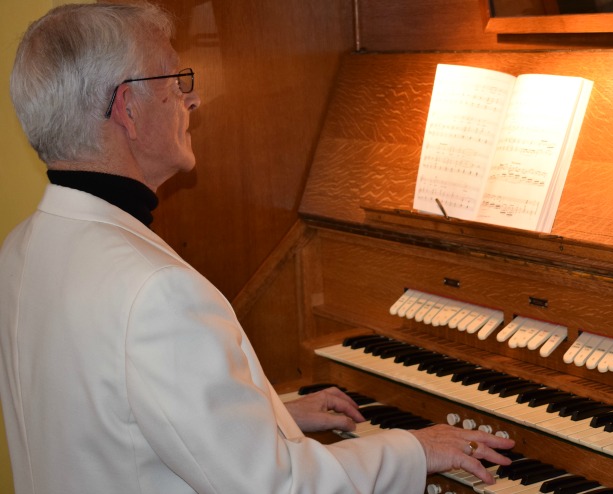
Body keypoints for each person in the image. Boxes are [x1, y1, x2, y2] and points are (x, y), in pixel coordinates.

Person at [0, 2, 515, 493]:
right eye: (175, 80)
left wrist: (271, 416)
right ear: (128, 109)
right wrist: (415, 450)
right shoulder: (157, 291)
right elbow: (279, 487)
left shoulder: (23, 247)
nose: (192, 100)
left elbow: (109, 426)